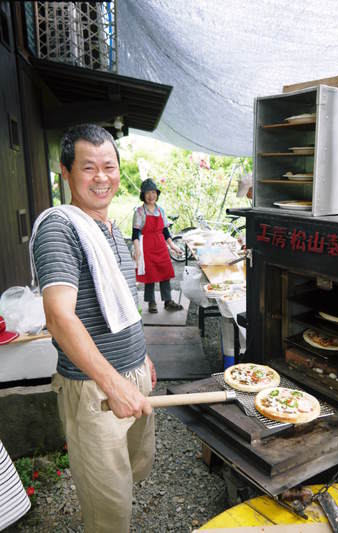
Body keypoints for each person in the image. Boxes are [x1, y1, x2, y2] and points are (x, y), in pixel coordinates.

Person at [30, 124, 156, 533]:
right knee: (108, 512)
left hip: (132, 374)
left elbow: (124, 308)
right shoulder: (60, 227)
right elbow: (59, 317)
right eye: (88, 167)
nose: (102, 177)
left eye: (109, 166)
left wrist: (142, 357)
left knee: (130, 473)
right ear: (65, 172)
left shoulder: (111, 230)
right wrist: (115, 384)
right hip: (95, 388)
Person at [132, 178, 183, 313]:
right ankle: (151, 302)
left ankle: (168, 301)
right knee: (150, 275)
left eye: (153, 192)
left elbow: (165, 230)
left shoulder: (160, 210)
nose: (151, 196)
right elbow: (135, 233)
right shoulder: (139, 212)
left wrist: (173, 246)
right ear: (143, 195)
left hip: (160, 245)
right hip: (147, 247)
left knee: (165, 272)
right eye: (148, 193)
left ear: (157, 194)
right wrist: (137, 250)